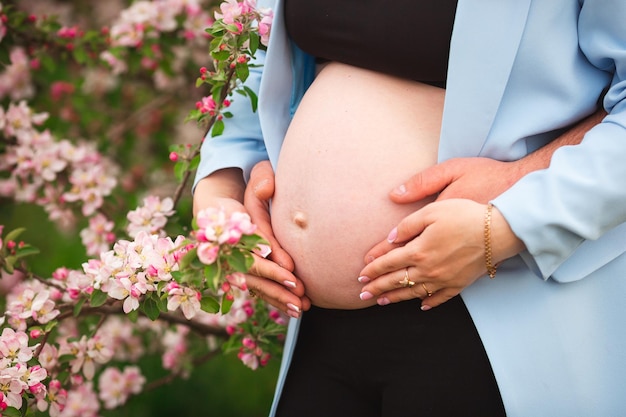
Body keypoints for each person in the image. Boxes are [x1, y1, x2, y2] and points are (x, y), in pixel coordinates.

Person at [193, 0, 626, 415]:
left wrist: (509, 220)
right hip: (319, 324)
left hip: (494, 304)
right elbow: (256, 45)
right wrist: (220, 186)